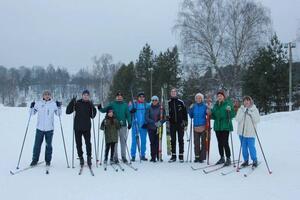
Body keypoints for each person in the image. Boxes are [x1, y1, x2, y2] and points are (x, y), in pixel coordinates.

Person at [29, 90, 62, 167]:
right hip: (39, 128)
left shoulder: (53, 104)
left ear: (50, 96)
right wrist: (31, 107)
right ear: (43, 96)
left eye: (48, 94)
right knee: (37, 145)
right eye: (45, 94)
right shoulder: (38, 103)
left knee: (48, 145)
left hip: (49, 129)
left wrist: (59, 107)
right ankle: (34, 160)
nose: (47, 96)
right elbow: (32, 113)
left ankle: (48, 160)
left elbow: (58, 114)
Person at [98, 91, 131, 163]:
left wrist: (130, 122)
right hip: (114, 126)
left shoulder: (125, 105)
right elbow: (105, 110)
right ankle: (115, 157)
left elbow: (128, 114)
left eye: (120, 96)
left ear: (122, 97)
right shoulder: (112, 104)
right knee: (115, 142)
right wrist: (100, 108)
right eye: (118, 96)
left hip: (123, 126)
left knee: (123, 142)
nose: (119, 97)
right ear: (116, 97)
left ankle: (123, 157)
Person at [66, 90, 96, 167]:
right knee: (78, 144)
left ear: (89, 96)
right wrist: (72, 102)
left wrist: (93, 107)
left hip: (86, 127)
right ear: (82, 95)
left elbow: (93, 116)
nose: (86, 96)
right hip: (77, 127)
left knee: (88, 143)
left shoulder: (90, 104)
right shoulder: (77, 103)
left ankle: (89, 157)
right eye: (84, 95)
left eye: (87, 95)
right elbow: (68, 111)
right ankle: (81, 157)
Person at [211, 90, 235, 166]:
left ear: (224, 97)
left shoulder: (228, 104)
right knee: (220, 143)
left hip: (225, 126)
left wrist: (230, 111)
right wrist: (210, 113)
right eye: (218, 96)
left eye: (221, 96)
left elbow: (233, 114)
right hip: (217, 126)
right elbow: (214, 116)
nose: (219, 97)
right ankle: (222, 157)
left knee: (225, 142)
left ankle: (228, 158)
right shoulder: (215, 105)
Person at [235, 96, 260, 167]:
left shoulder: (254, 109)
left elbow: (257, 120)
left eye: (248, 100)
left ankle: (254, 160)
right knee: (244, 147)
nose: (246, 102)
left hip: (250, 132)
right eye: (245, 100)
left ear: (250, 101)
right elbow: (237, 119)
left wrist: (250, 113)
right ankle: (246, 160)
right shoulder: (241, 109)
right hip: (241, 132)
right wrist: (243, 112)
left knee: (251, 147)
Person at [168, 88, 188, 163]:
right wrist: (167, 118)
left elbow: (185, 113)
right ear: (170, 93)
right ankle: (173, 156)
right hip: (172, 124)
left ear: (176, 93)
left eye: (174, 92)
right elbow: (165, 113)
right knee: (173, 140)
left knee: (180, 139)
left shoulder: (181, 102)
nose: (173, 93)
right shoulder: (168, 103)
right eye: (172, 92)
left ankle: (181, 155)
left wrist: (185, 123)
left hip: (180, 124)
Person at [188, 93, 210, 163]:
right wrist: (190, 109)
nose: (198, 99)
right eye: (197, 98)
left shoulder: (204, 106)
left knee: (203, 143)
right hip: (195, 127)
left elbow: (209, 115)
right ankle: (197, 157)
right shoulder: (194, 106)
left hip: (203, 126)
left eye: (199, 98)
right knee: (196, 143)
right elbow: (191, 116)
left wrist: (209, 111)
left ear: (202, 99)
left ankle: (202, 157)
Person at [129, 92, 150, 161]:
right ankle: (133, 155)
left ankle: (143, 155)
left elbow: (154, 105)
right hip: (135, 125)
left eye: (143, 97)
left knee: (143, 141)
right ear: (137, 98)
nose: (141, 98)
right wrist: (131, 109)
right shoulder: (134, 104)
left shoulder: (146, 105)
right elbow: (128, 110)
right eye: (140, 97)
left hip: (143, 126)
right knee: (134, 141)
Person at [145, 96, 165, 162]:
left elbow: (164, 118)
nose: (154, 101)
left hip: (159, 127)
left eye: (156, 100)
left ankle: (158, 155)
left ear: (158, 100)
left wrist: (160, 123)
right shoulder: (149, 108)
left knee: (158, 142)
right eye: (153, 100)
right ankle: (153, 156)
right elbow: (146, 118)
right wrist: (153, 122)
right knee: (152, 142)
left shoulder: (161, 108)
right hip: (151, 127)